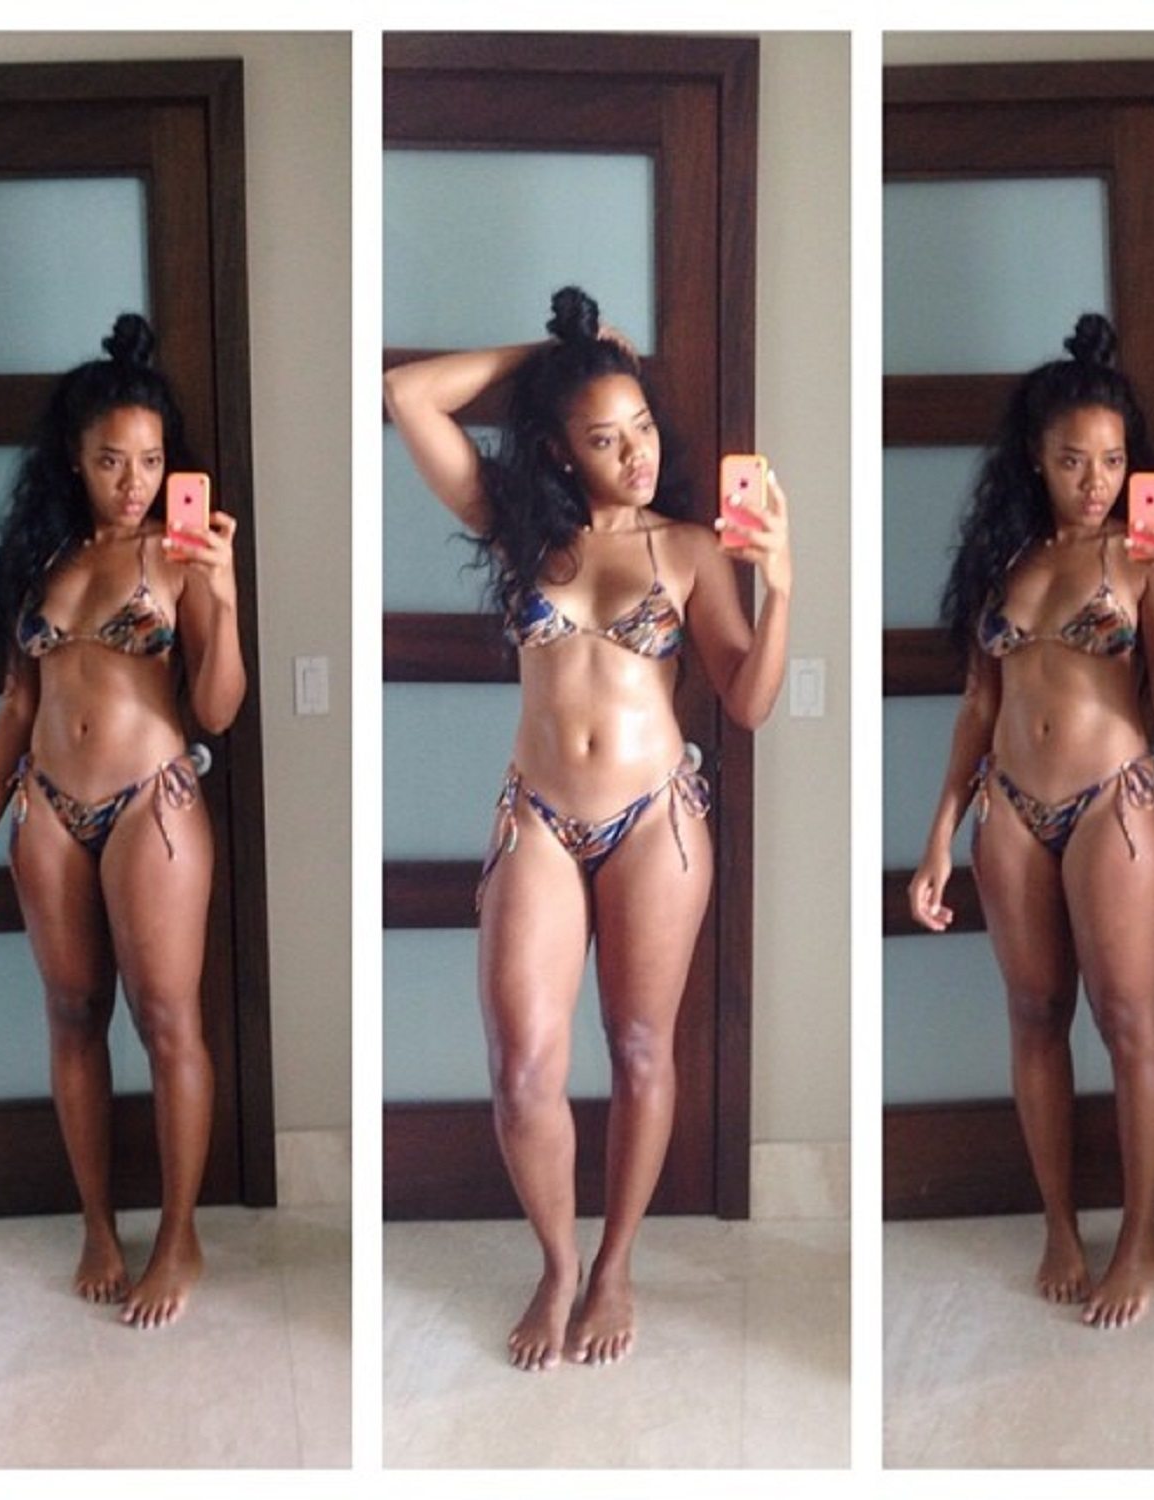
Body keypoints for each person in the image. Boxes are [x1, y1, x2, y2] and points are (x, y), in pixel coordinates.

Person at [385, 286, 792, 1370]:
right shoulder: (523, 531)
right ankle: (558, 1264)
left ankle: (614, 1265)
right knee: (523, 1063)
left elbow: (747, 702)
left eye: (641, 427)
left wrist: (783, 586)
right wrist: (558, 353)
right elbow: (407, 394)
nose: (635, 453)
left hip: (656, 819)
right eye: (604, 437)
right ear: (561, 451)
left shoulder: (691, 547)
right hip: (540, 816)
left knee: (642, 1046)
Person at [0, 313, 246, 1330]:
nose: (134, 481)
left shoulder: (180, 554)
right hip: (47, 808)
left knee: (166, 1021)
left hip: (149, 802)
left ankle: (179, 1234)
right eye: (113, 460)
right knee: (73, 1015)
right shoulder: (42, 560)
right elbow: (16, 704)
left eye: (152, 461)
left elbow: (217, 709)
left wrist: (222, 597)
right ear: (74, 458)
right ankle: (98, 1226)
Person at [908, 313, 1154, 1331]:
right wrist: (938, 835)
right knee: (1035, 1015)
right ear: (1035, 457)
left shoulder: (1142, 555)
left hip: (1111, 802)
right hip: (1010, 808)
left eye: (1113, 461)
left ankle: (1141, 1235)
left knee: (1128, 1020)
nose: (1095, 481)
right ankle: (1061, 1227)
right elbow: (978, 705)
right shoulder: (1003, 561)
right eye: (1074, 459)